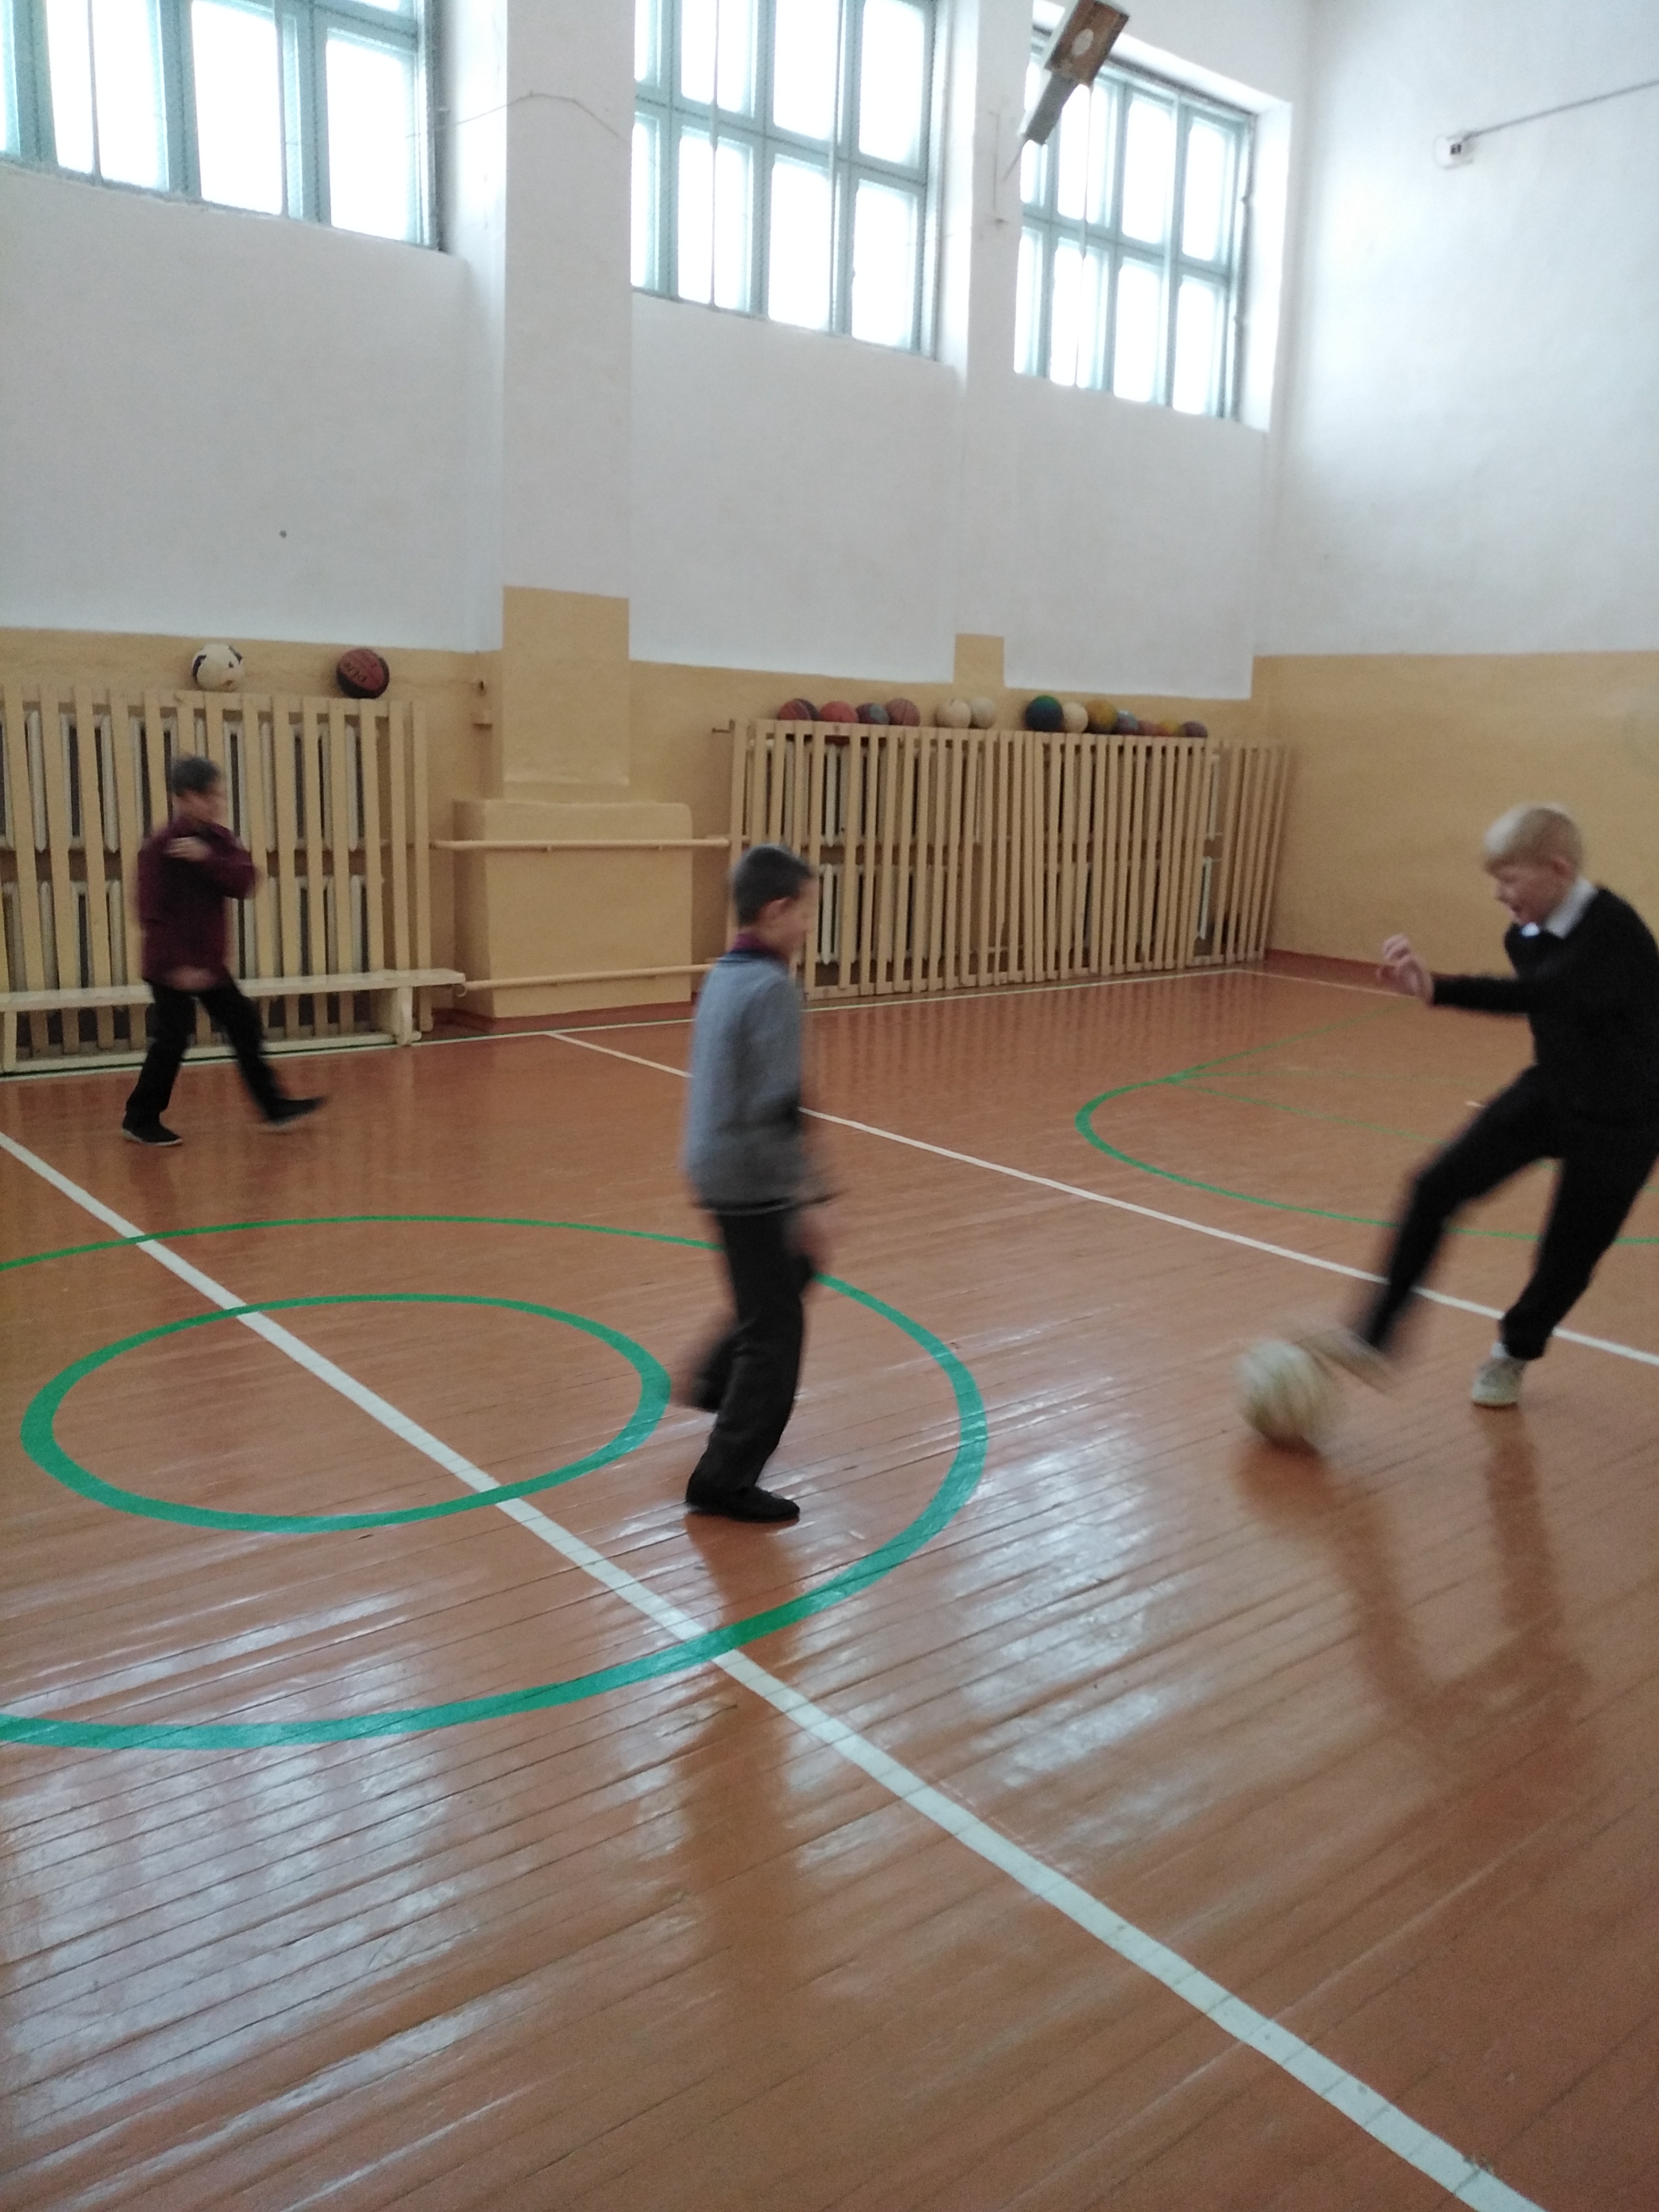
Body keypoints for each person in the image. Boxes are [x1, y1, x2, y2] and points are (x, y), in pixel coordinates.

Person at [1314, 803, 1659, 1406]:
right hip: (1552, 1089)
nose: (1500, 894)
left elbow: (1546, 993)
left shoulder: (1615, 930)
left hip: (1628, 1118)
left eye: (1510, 879)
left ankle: (1514, 1352)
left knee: (1567, 1254)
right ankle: (1374, 1338)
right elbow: (1546, 1005)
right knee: (1434, 1186)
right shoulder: (1523, 935)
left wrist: (1438, 989)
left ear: (1558, 869)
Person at [678, 842, 832, 1523]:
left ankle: (716, 1378)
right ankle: (724, 1478)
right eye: (804, 912)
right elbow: (780, 1103)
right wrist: (810, 1195)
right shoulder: (772, 988)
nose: (807, 926)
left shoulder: (725, 972)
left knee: (783, 1276)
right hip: (749, 1174)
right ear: (775, 911)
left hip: (710, 1161)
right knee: (776, 1334)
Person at [121, 755, 323, 1146]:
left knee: (243, 1023)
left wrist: (207, 859)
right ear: (184, 798)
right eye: (208, 796)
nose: (216, 803)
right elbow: (150, 912)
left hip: (208, 963)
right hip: (170, 965)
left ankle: (274, 1106)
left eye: (218, 795)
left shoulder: (219, 840)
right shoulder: (159, 848)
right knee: (172, 1039)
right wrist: (178, 967)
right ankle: (139, 1119)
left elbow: (246, 881)